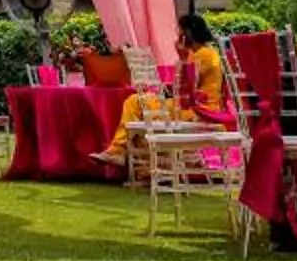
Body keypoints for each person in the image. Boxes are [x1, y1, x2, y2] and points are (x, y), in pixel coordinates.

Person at [95, 15, 231, 164]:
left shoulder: (205, 54)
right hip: (188, 106)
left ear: (187, 33)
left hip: (197, 111)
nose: (177, 35)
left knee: (137, 103)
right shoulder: (200, 53)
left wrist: (182, 57)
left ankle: (122, 152)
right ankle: (123, 153)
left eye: (179, 31)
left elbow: (184, 86)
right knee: (136, 101)